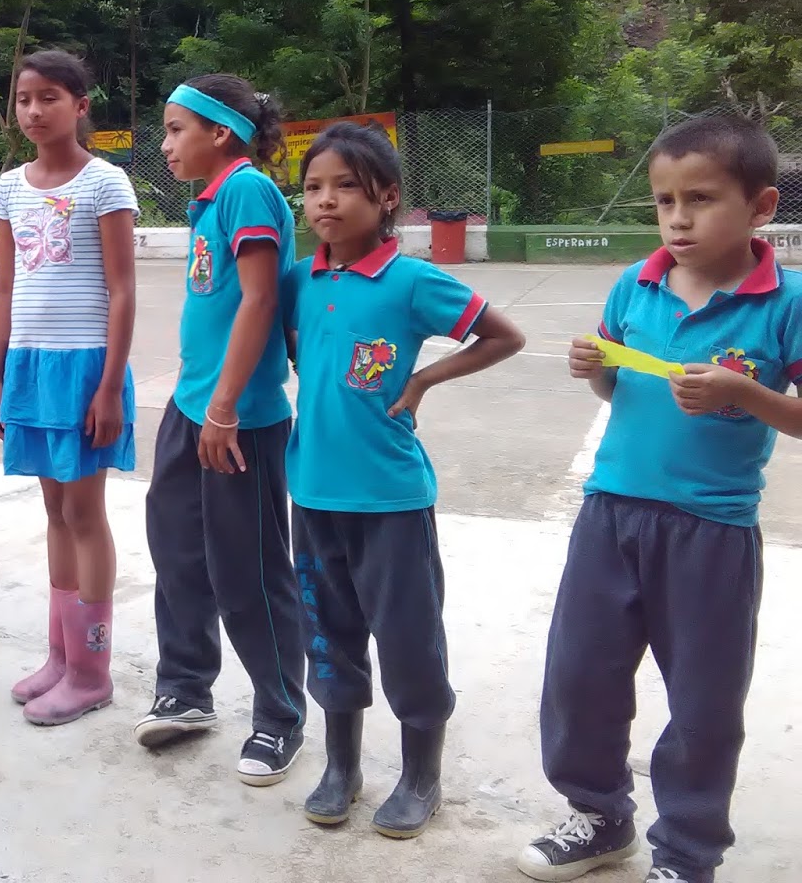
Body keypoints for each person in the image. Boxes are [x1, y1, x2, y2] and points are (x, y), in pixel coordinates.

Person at [519, 113, 802, 883]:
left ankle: (686, 852)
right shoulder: (635, 285)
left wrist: (745, 392)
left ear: (761, 207)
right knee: (580, 676)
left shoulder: (785, 302)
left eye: (700, 199)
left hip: (710, 529)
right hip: (610, 514)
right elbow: (620, 389)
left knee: (704, 704)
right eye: (664, 201)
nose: (678, 219)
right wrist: (596, 371)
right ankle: (600, 816)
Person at [285, 122, 524, 837]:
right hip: (313, 494)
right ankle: (342, 767)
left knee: (409, 640)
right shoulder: (299, 280)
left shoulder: (412, 281)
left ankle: (422, 776)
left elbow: (503, 335)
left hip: (390, 499)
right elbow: (288, 343)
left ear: (387, 197)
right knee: (328, 638)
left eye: (344, 185)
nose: (325, 201)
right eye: (313, 187)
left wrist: (422, 380)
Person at [136, 75, 307, 787]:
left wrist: (226, 407)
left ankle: (280, 714)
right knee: (177, 551)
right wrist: (202, 401)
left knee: (250, 571)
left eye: (176, 130)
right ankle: (185, 689)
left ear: (220, 133)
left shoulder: (246, 190)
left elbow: (260, 299)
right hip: (192, 405)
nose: (165, 144)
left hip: (237, 420)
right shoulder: (211, 200)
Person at [0, 50, 137, 726]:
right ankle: (61, 656)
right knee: (52, 512)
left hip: (85, 369)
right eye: (24, 99)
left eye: (49, 97)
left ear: (80, 106)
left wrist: (108, 388)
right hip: (29, 365)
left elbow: (122, 289)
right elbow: (6, 287)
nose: (34, 110)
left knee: (84, 513)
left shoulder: (105, 183)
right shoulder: (9, 187)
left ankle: (91, 672)